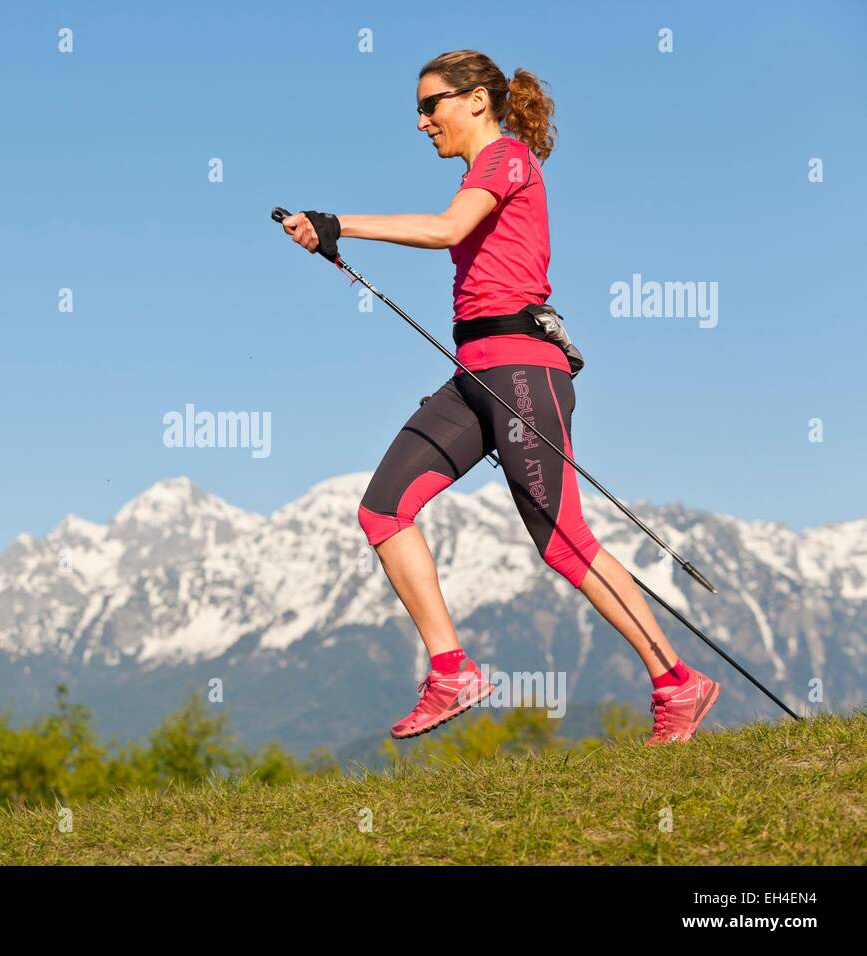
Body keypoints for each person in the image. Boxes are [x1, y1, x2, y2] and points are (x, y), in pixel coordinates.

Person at [279, 49, 719, 746]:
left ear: (477, 100)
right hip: (475, 376)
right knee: (382, 511)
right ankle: (452, 671)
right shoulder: (479, 170)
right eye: (418, 109)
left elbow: (448, 229)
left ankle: (678, 682)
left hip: (521, 372)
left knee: (564, 544)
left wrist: (340, 223)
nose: (422, 122)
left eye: (432, 105)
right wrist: (329, 236)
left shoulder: (506, 159)